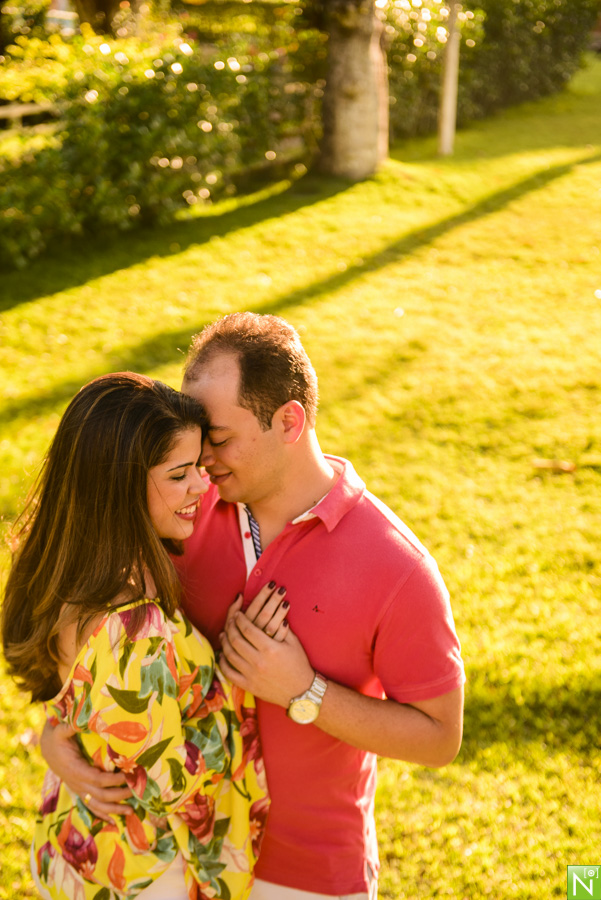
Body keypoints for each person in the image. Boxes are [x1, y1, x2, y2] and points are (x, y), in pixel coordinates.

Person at [41, 315, 465, 900]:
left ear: (289, 421)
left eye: (217, 437)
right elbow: (103, 630)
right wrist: (58, 729)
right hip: (171, 859)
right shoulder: (177, 508)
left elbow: (440, 738)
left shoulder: (399, 568)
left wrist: (304, 691)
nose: (202, 460)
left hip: (306, 872)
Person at [2, 372, 285, 900]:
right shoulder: (131, 628)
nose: (203, 485)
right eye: (180, 474)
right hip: (143, 873)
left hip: (75, 837)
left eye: (200, 466)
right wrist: (232, 674)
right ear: (120, 486)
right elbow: (170, 785)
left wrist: (54, 737)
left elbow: (88, 697)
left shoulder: (65, 570)